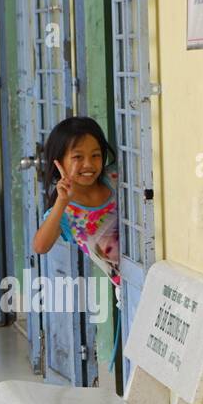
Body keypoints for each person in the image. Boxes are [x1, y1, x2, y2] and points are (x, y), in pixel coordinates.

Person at [33, 116, 122, 290]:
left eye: (95, 155)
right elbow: (40, 246)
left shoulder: (116, 178)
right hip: (128, 290)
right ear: (59, 162)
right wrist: (61, 202)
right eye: (77, 157)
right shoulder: (65, 212)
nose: (88, 164)